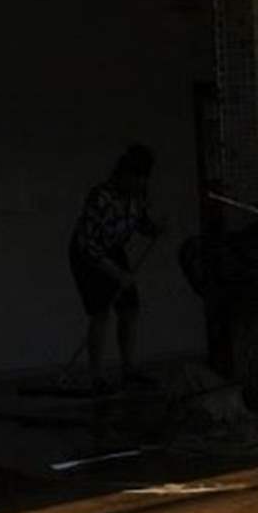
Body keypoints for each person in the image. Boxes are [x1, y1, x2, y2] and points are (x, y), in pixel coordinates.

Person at [68, 144, 160, 390]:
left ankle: (129, 369)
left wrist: (154, 229)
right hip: (87, 254)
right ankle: (96, 375)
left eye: (143, 179)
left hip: (113, 250)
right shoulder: (101, 197)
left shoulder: (138, 196)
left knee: (129, 309)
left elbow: (140, 222)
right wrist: (116, 273)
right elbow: (87, 244)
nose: (140, 184)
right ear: (124, 175)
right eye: (136, 178)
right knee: (100, 312)